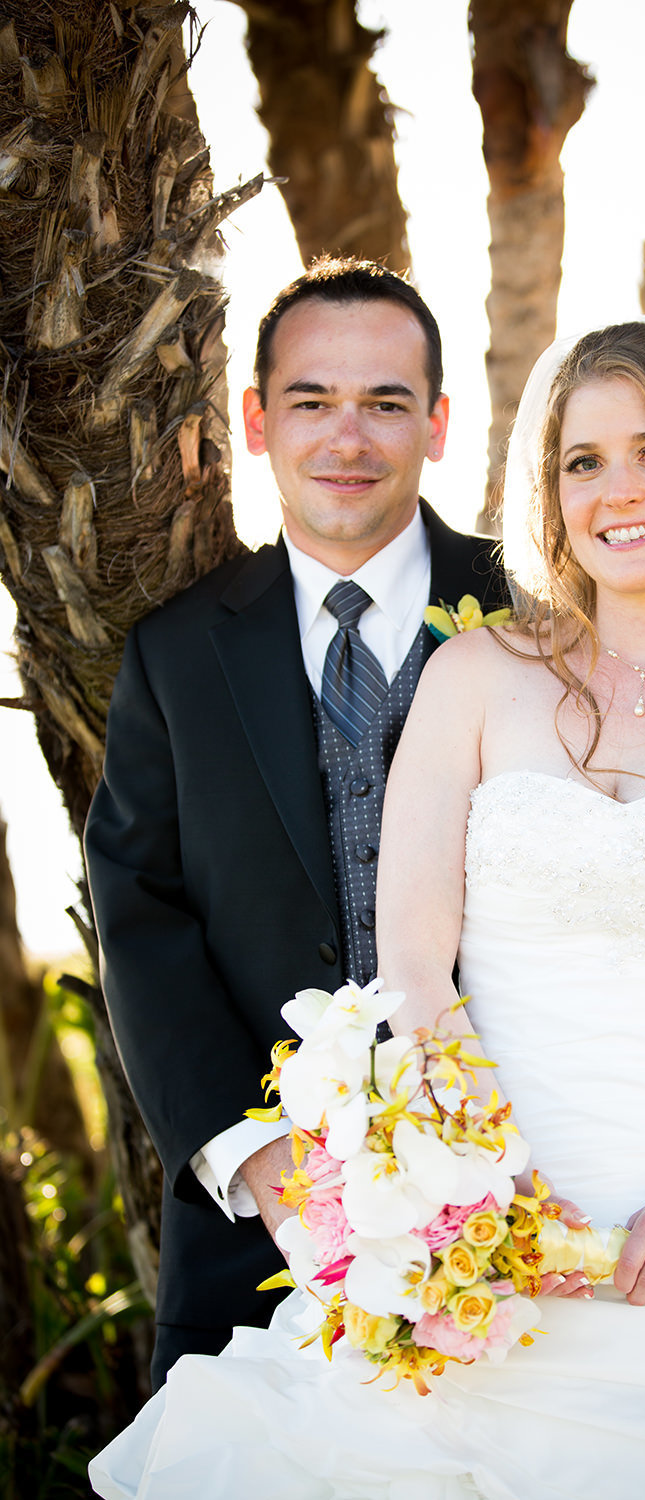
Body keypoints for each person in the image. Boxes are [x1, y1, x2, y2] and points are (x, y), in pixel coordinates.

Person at [90, 317, 645, 1498]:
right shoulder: (474, 676)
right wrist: (464, 1186)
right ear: (549, 487)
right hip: (495, 1212)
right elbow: (412, 960)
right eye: (583, 461)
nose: (618, 491)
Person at [83, 256, 508, 1388]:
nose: (348, 437)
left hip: (530, 1178)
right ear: (256, 422)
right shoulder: (176, 656)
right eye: (313, 401)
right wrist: (255, 1152)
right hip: (263, 1231)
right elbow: (141, 913)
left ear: (439, 423)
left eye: (386, 402)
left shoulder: (536, 615)